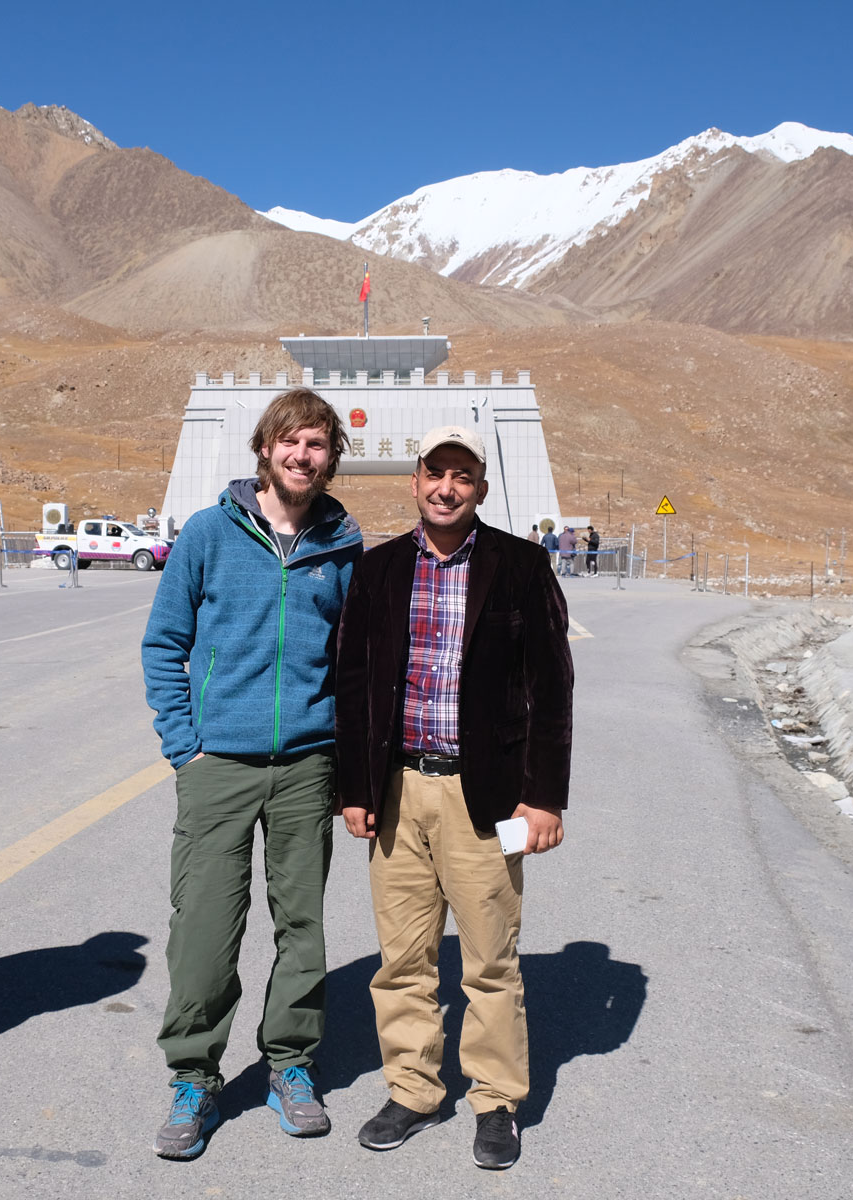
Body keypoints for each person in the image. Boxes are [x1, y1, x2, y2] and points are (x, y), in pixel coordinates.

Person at [334, 426, 574, 1171]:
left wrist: (543, 800)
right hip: (398, 791)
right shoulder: (378, 572)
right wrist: (354, 789)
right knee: (402, 960)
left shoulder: (522, 566)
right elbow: (354, 685)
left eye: (462, 476)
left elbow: (551, 688)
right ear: (414, 482)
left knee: (490, 961)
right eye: (434, 473)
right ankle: (412, 1089)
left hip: (490, 800)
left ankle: (496, 1099)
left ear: (481, 488)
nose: (446, 487)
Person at [140, 388, 364, 1159]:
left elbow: (353, 662)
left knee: (302, 928)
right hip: (218, 768)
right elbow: (163, 644)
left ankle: (291, 1066)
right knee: (203, 928)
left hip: (308, 764)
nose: (304, 456)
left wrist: (345, 760)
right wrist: (185, 746)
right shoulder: (209, 533)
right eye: (291, 442)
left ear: (333, 457)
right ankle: (194, 1075)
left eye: (318, 445)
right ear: (264, 449)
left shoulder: (342, 547)